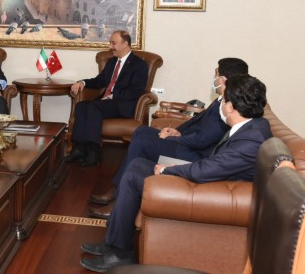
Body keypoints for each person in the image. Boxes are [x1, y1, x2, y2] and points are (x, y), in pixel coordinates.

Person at [79, 74, 271, 273]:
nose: (220, 104)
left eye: (223, 100)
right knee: (137, 165)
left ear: (230, 107)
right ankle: (114, 243)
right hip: (215, 179)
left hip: (212, 189)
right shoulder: (253, 126)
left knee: (135, 176)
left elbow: (206, 170)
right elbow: (215, 165)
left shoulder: (251, 139)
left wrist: (168, 169)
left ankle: (119, 254)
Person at [88, 57, 249, 218]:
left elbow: (202, 140)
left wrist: (173, 139)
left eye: (216, 74)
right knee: (141, 131)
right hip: (190, 146)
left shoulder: (228, 108)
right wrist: (175, 131)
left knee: (143, 142)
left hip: (194, 157)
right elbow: (196, 123)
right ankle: (118, 187)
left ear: (223, 79)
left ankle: (119, 199)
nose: (214, 78)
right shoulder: (221, 100)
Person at [66, 30, 148, 167]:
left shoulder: (139, 65)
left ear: (125, 43)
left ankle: (93, 152)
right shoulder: (111, 62)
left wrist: (114, 95)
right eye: (110, 43)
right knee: (81, 106)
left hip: (123, 104)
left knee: (93, 107)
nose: (110, 46)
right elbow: (99, 81)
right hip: (106, 103)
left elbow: (136, 91)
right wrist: (82, 82)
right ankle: (79, 149)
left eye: (113, 43)